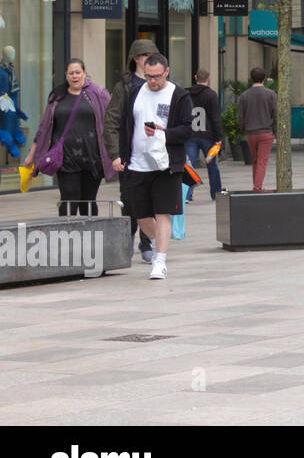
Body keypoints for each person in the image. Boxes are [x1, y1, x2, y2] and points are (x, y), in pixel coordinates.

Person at [111, 53, 193, 280]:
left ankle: (160, 261)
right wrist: (121, 155)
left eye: (156, 77)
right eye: (148, 76)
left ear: (166, 71)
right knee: (141, 215)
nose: (152, 81)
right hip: (137, 164)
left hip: (166, 164)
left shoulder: (179, 95)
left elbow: (187, 130)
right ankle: (160, 243)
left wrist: (162, 132)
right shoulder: (135, 93)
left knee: (162, 212)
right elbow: (126, 126)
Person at [26, 59, 115, 217]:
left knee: (88, 200)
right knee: (69, 198)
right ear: (66, 75)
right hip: (65, 157)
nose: (75, 76)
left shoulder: (99, 93)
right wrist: (32, 155)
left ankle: (89, 237)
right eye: (71, 73)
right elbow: (44, 127)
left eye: (78, 72)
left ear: (84, 73)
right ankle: (66, 236)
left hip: (92, 157)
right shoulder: (57, 95)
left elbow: (112, 122)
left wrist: (115, 152)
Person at [105, 38, 159, 261]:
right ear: (136, 59)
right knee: (129, 200)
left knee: (154, 200)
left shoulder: (161, 85)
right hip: (130, 155)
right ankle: (128, 239)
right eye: (147, 56)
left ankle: (148, 243)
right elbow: (111, 122)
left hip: (155, 154)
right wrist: (115, 154)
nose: (150, 61)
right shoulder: (124, 87)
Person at [185, 68, 223, 200]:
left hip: (190, 134)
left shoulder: (186, 93)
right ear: (209, 79)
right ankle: (216, 193)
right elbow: (215, 117)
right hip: (208, 135)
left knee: (189, 166)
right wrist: (219, 137)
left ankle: (186, 195)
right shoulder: (211, 94)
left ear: (195, 77)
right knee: (212, 165)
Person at [237, 67, 277, 191]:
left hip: (250, 132)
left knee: (255, 160)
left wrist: (243, 129)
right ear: (264, 78)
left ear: (251, 78)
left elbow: (240, 116)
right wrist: (274, 131)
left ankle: (256, 186)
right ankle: (257, 187)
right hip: (266, 132)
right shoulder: (271, 94)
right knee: (262, 161)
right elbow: (275, 114)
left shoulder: (244, 95)